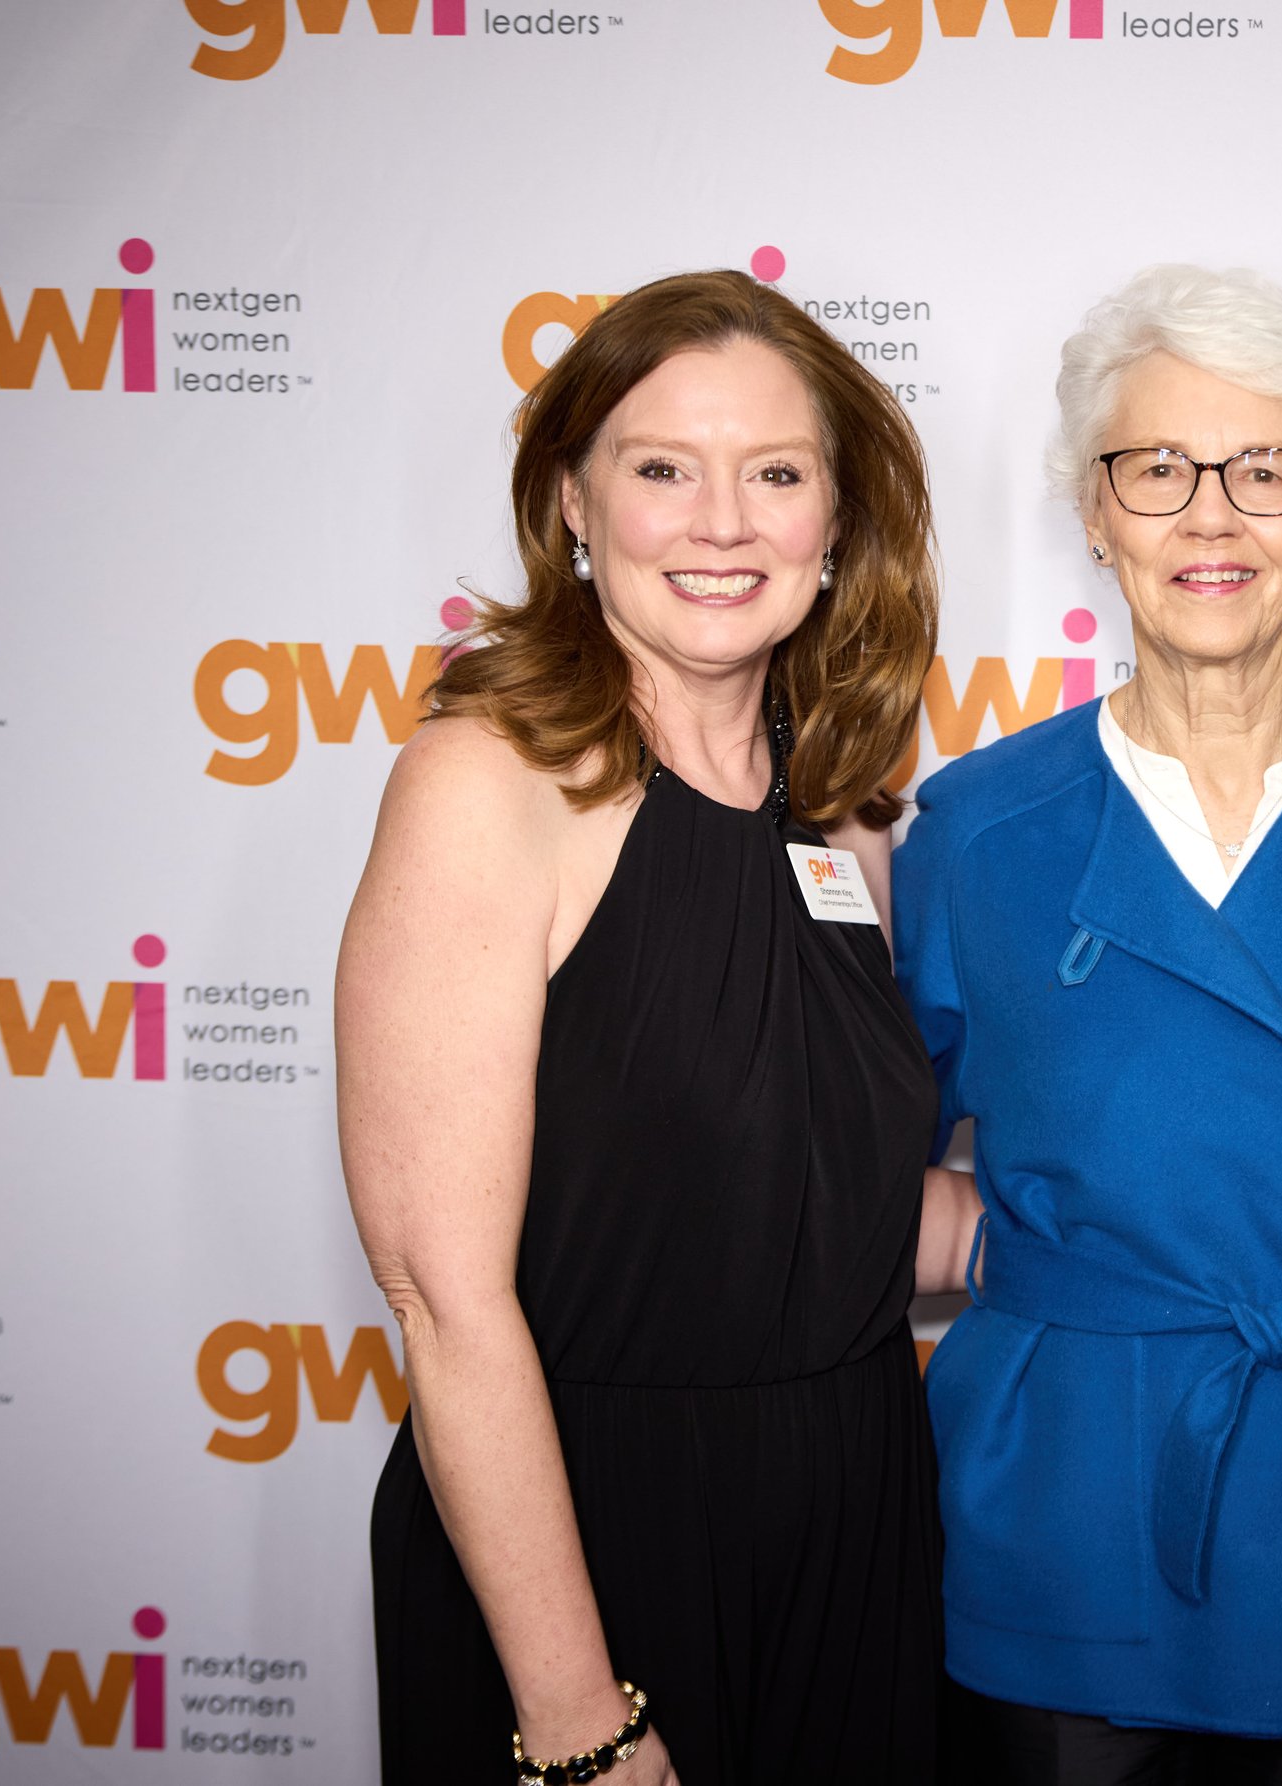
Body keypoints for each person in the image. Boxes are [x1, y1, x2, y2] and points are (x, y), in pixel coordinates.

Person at [896, 264, 1282, 1782]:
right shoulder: (977, 836)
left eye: (1265, 470)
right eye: (1159, 468)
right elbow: (846, 1158)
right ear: (1094, 510)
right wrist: (997, 1247)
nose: (1211, 517)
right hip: (1068, 1494)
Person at [337, 268, 943, 1784]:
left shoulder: (849, 808)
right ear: (572, 503)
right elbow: (443, 1299)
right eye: (664, 468)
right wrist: (580, 1719)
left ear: (837, 523)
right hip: (589, 1553)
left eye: (777, 475)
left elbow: (814, 1212)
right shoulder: (490, 784)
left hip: (859, 1539)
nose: (723, 524)